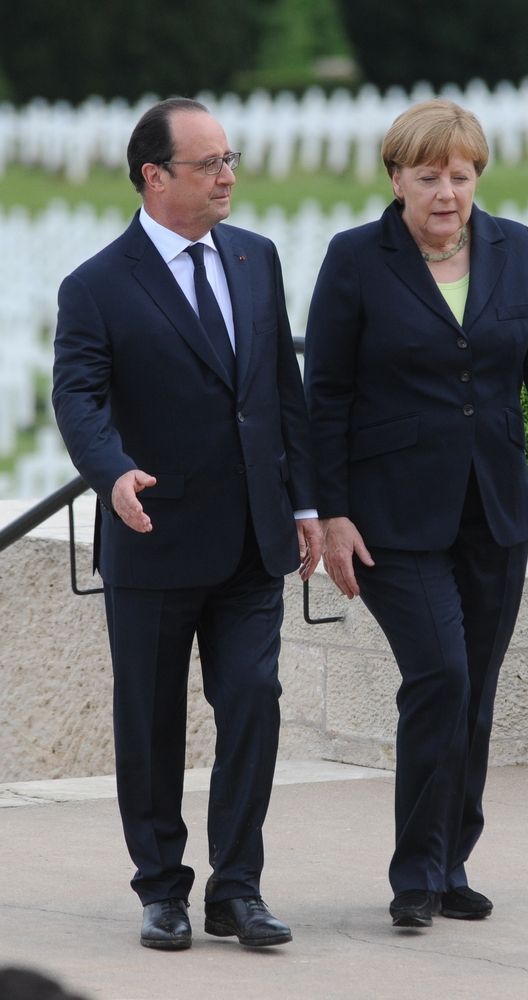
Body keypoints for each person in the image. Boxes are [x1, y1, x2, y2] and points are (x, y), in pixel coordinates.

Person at [304, 99, 528, 930]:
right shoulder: (354, 259)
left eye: (460, 175)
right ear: (396, 179)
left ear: (475, 176)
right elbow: (326, 396)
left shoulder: (514, 247)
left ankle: (451, 861)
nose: (446, 192)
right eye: (428, 176)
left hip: (494, 510)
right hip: (390, 519)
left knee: (475, 692)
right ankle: (413, 873)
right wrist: (332, 512)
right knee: (440, 676)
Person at [52, 97, 321, 951]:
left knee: (254, 700)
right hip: (153, 538)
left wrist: (306, 502)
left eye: (230, 159)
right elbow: (78, 394)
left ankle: (236, 888)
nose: (228, 177)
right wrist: (110, 469)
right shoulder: (95, 285)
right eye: (209, 165)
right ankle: (162, 888)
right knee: (151, 720)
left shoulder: (255, 257)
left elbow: (283, 388)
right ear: (153, 176)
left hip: (252, 539)